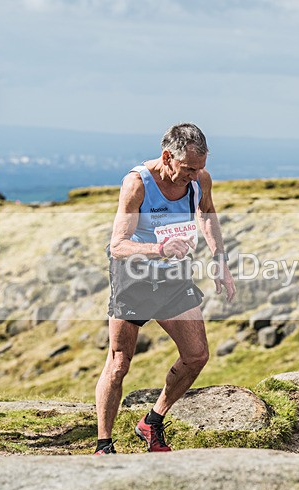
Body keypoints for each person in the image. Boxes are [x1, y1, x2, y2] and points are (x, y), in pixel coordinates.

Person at [94, 124, 236, 454]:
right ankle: (103, 445)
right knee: (118, 364)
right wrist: (159, 249)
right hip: (134, 278)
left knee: (196, 355)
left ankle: (152, 422)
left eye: (199, 168)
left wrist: (220, 259)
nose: (194, 175)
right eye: (188, 169)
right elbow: (117, 245)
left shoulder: (200, 179)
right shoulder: (137, 184)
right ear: (167, 157)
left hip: (173, 277)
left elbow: (208, 213)